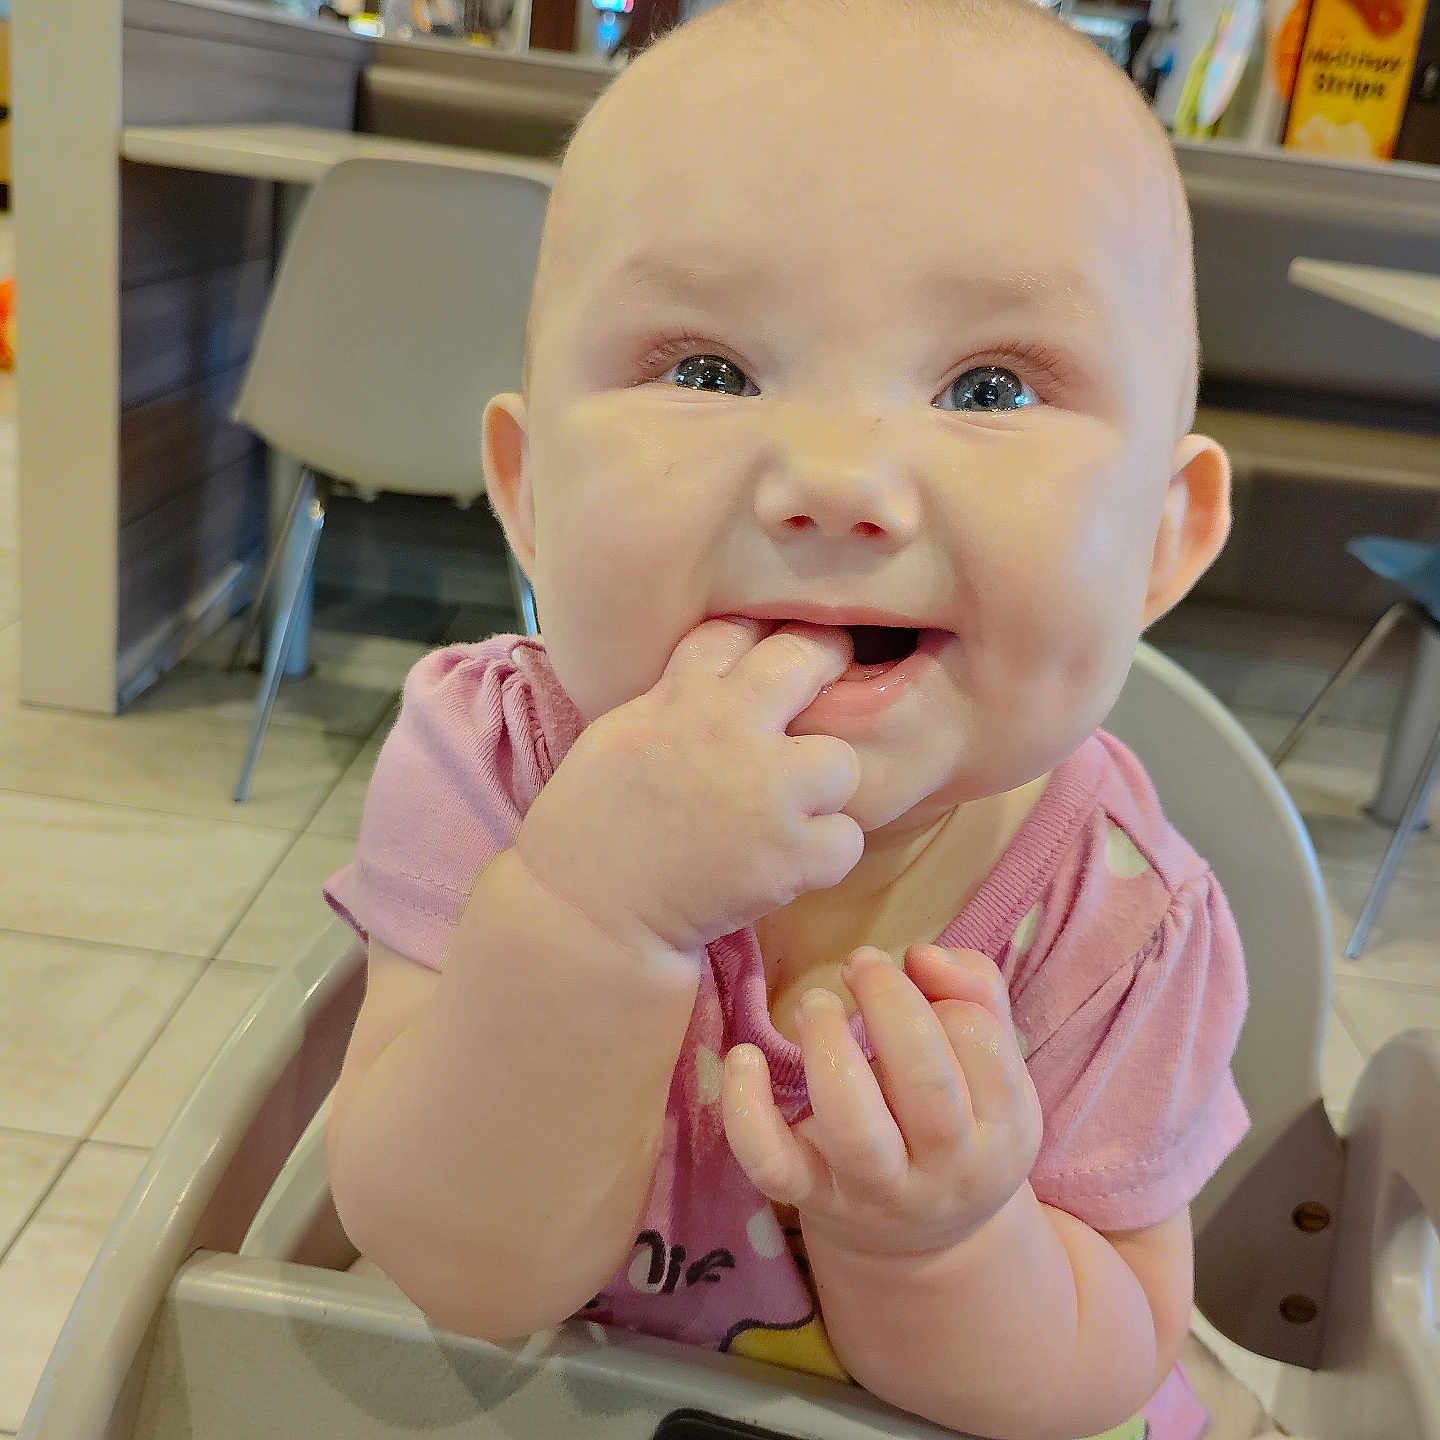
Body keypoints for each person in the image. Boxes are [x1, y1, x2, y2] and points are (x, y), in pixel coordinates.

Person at [322, 1, 1249, 1435]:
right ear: (527, 491)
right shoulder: (495, 766)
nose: (832, 475)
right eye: (706, 369)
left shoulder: (1121, 916)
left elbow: (1111, 1357)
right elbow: (459, 1270)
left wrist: (938, 1243)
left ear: (1160, 546)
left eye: (989, 386)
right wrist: (588, 914)